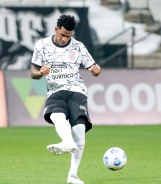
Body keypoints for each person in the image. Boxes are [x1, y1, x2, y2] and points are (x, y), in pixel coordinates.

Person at [30, 14, 101, 184]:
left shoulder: (78, 47)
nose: (65, 39)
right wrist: (41, 72)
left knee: (79, 130)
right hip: (55, 90)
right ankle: (66, 141)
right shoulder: (42, 45)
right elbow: (33, 73)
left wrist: (95, 70)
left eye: (68, 36)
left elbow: (94, 68)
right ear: (56, 29)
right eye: (62, 35)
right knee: (56, 115)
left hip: (77, 90)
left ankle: (72, 176)